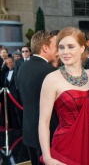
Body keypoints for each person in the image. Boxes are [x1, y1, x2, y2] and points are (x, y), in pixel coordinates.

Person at [39, 27, 89, 165]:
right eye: (61, 47)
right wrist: (47, 157)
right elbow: (43, 122)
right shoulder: (51, 79)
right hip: (65, 146)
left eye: (71, 47)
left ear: (82, 48)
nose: (65, 52)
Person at [17, 31, 59, 165]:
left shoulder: (23, 67)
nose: (57, 50)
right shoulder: (50, 72)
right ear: (45, 48)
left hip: (29, 131)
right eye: (55, 46)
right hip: (48, 134)